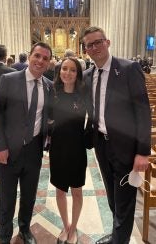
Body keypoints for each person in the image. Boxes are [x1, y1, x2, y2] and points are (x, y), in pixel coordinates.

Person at [82, 26, 151, 244]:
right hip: (102, 144)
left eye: (98, 42)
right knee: (112, 196)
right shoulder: (88, 75)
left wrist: (142, 152)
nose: (94, 48)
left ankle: (119, 240)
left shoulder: (129, 69)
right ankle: (117, 234)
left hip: (125, 147)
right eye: (89, 45)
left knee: (124, 200)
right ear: (85, 50)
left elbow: (142, 112)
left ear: (108, 42)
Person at [0, 42, 53, 244]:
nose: (40, 61)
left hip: (34, 150)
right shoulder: (8, 80)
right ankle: (4, 236)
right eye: (37, 56)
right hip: (8, 150)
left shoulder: (49, 86)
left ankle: (24, 229)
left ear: (49, 62)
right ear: (29, 56)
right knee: (6, 198)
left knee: (29, 195)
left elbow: (49, 117)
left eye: (45, 58)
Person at [49, 57, 87, 244]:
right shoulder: (52, 92)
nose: (68, 73)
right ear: (59, 70)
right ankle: (66, 225)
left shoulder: (84, 95)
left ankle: (74, 228)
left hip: (77, 149)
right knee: (60, 190)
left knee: (77, 191)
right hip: (58, 148)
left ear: (78, 73)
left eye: (73, 70)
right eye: (64, 68)